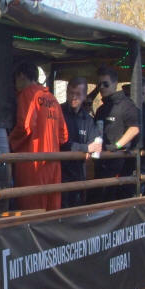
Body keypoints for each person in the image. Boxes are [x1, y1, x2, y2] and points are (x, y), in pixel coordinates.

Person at [9, 60, 69, 211]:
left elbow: (25, 126)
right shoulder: (52, 98)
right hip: (54, 164)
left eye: (15, 80)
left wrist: (9, 143)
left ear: (21, 76)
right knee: (52, 211)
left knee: (31, 211)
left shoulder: (27, 94)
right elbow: (63, 135)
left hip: (32, 163)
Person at [92, 65, 140, 202]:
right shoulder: (101, 109)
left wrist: (117, 146)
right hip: (101, 162)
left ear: (115, 84)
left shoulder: (126, 105)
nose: (102, 87)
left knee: (113, 200)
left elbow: (134, 128)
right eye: (99, 84)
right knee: (98, 199)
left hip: (120, 164)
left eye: (105, 84)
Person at [59, 76, 102, 207]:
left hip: (79, 174)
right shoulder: (58, 113)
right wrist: (85, 148)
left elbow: (94, 145)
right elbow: (61, 144)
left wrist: (87, 148)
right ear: (66, 93)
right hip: (60, 174)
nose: (74, 97)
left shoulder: (87, 119)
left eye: (78, 94)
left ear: (84, 96)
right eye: (71, 93)